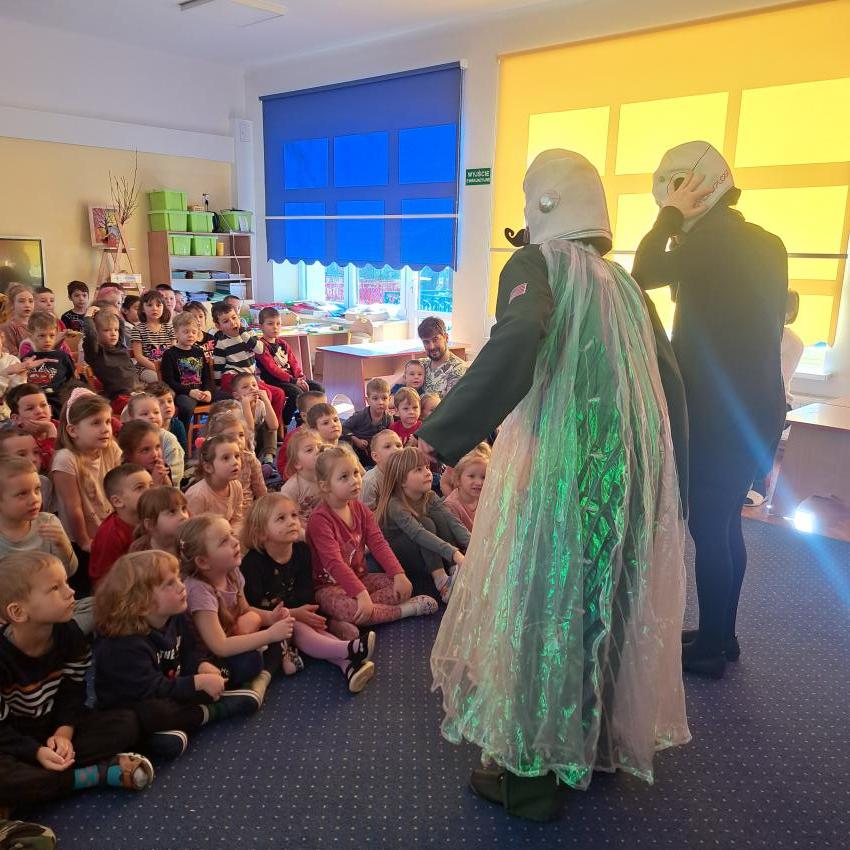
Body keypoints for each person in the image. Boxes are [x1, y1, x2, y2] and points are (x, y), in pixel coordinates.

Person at [417, 149, 689, 820]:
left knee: (541, 610)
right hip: (629, 480)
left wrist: (437, 435)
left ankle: (528, 777)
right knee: (605, 607)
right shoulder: (625, 285)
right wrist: (674, 479)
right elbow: (669, 381)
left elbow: (517, 342)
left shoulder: (537, 265)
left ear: (542, 204)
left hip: (560, 479)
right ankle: (591, 747)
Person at [632, 141, 788, 677]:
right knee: (725, 525)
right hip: (756, 407)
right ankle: (723, 635)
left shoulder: (710, 242)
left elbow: (643, 270)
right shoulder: (765, 242)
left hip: (720, 414)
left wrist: (669, 218)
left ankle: (711, 651)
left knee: (710, 526)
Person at [0, 551, 154, 811]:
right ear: (18, 611)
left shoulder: (71, 634)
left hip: (54, 727)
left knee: (126, 723)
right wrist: (35, 751)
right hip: (13, 739)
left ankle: (45, 780)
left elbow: (73, 692)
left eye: (66, 583)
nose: (71, 592)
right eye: (55, 588)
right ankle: (91, 776)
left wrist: (64, 733)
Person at [93, 550, 260, 760]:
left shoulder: (176, 615)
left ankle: (165, 732)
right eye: (169, 584)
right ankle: (211, 712)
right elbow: (152, 689)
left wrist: (200, 665)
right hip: (137, 703)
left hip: (171, 686)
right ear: (142, 603)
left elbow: (189, 651)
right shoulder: (123, 644)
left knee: (242, 663)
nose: (182, 586)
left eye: (178, 578)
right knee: (155, 713)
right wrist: (197, 683)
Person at [241, 494, 376, 692]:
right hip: (268, 622)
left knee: (314, 627)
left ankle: (349, 667)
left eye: (294, 515)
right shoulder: (252, 564)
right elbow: (253, 606)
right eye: (281, 518)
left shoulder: (302, 551)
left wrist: (305, 613)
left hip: (298, 611)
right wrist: (294, 614)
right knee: (297, 626)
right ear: (261, 534)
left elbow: (305, 592)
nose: (292, 522)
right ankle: (349, 649)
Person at [306, 445, 437, 641]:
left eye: (355, 473)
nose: (354, 480)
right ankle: (405, 610)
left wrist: (399, 574)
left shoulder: (360, 509)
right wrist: (360, 594)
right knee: (350, 607)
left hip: (361, 578)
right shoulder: (320, 520)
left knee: (398, 587)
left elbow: (379, 544)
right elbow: (334, 563)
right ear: (325, 486)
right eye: (344, 477)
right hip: (329, 587)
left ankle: (344, 620)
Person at [177, 514, 294, 695]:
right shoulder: (199, 590)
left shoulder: (232, 573)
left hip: (232, 637)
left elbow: (245, 610)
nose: (235, 541)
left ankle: (263, 675)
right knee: (251, 661)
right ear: (203, 561)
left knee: (276, 633)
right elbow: (219, 646)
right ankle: (259, 679)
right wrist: (269, 634)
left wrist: (271, 617)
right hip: (208, 658)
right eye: (224, 541)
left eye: (232, 534)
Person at [50, 389, 122, 591]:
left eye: (107, 422)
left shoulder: (111, 449)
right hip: (80, 538)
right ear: (73, 430)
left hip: (108, 531)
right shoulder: (66, 459)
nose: (105, 428)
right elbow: (72, 507)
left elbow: (119, 489)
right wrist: (84, 541)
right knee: (89, 588)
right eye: (96, 423)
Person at [375, 447, 468, 601]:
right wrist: (454, 553)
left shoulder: (429, 496)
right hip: (400, 557)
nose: (427, 473)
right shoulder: (394, 505)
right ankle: (441, 581)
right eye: (418, 470)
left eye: (427, 467)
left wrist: (475, 546)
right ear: (402, 480)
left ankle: (453, 568)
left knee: (440, 516)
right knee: (426, 523)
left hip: (423, 551)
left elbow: (452, 521)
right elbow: (418, 533)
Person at [746, 290, 805, 506]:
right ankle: (745, 480)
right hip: (756, 398)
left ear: (790, 313)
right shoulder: (758, 333)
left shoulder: (792, 341)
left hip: (778, 400)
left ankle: (759, 485)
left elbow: (775, 378)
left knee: (763, 427)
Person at [210, 302, 285, 437]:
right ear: (218, 326)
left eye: (234, 318)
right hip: (232, 377)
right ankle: (255, 430)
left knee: (279, 393)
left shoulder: (248, 333)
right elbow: (218, 366)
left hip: (250, 378)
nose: (232, 323)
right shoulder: (221, 343)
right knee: (266, 393)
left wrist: (243, 334)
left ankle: (272, 430)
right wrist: (217, 386)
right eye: (226, 321)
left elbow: (260, 350)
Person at [255, 306, 324, 428]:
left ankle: (307, 418)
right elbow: (273, 369)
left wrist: (300, 378)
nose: (275, 327)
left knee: (318, 388)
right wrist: (294, 381)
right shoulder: (261, 346)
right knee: (296, 393)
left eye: (278, 324)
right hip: (275, 381)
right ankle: (285, 422)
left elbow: (294, 363)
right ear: (261, 326)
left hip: (292, 379)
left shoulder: (283, 343)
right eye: (270, 324)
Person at [88, 464, 153, 586]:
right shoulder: (110, 535)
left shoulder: (153, 518)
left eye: (151, 485)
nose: (150, 491)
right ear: (117, 501)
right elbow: (103, 581)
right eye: (140, 488)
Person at [204, 413, 266, 518]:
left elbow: (260, 491)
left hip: (247, 512)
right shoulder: (212, 462)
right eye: (230, 437)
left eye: (241, 435)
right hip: (219, 513)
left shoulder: (250, 459)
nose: (238, 440)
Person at [159, 312, 214, 432]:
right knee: (187, 406)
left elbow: (207, 377)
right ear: (176, 333)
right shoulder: (169, 354)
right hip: (182, 393)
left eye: (194, 332)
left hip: (201, 392)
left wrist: (208, 391)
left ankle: (216, 435)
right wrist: (190, 392)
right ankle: (183, 436)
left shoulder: (199, 352)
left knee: (227, 400)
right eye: (186, 332)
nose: (190, 335)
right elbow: (169, 381)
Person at [184, 436, 244, 534]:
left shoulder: (236, 486)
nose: (235, 462)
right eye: (226, 458)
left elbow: (237, 520)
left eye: (237, 456)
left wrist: (234, 536)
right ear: (208, 467)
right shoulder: (197, 495)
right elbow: (191, 533)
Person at [19, 313, 75, 417]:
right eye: (42, 335)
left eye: (52, 335)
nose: (47, 340)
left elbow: (72, 380)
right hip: (35, 404)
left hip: (59, 403)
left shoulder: (62, 357)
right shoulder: (27, 360)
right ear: (31, 335)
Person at [123, 392, 185, 486]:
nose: (152, 416)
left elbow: (174, 480)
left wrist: (163, 477)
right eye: (144, 414)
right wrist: (154, 482)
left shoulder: (168, 439)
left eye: (156, 412)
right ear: (132, 419)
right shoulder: (129, 439)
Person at [82, 309, 138, 413]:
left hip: (136, 392)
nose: (113, 334)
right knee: (140, 408)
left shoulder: (119, 346)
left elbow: (121, 324)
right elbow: (90, 336)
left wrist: (110, 312)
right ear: (97, 332)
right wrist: (88, 316)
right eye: (107, 330)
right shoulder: (95, 352)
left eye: (115, 330)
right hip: (118, 398)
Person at [279, 427, 324, 533]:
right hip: (302, 529)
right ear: (297, 463)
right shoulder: (291, 488)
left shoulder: (328, 476)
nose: (318, 451)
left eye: (320, 447)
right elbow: (287, 518)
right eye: (309, 450)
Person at [275, 390, 328, 479]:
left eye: (326, 408)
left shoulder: (325, 429)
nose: (324, 413)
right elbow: (283, 464)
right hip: (299, 476)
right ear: (304, 416)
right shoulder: (296, 437)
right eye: (317, 410)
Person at [229, 372, 279, 463]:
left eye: (254, 385)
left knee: (268, 424)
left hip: (256, 442)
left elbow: (274, 426)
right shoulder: (235, 408)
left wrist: (266, 400)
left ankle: (268, 458)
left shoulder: (260, 404)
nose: (252, 388)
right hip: (244, 444)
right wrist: (246, 404)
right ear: (236, 395)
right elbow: (249, 430)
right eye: (245, 387)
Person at [6, 385, 57, 474]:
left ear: (50, 409)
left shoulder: (62, 426)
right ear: (16, 419)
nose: (39, 411)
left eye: (43, 405)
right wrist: (51, 432)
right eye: (30, 408)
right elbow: (48, 467)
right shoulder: (17, 440)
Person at [341, 378, 391, 464]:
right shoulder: (360, 416)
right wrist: (356, 440)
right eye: (375, 398)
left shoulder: (388, 418)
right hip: (357, 449)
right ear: (368, 401)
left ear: (389, 399)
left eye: (384, 398)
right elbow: (344, 427)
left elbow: (388, 435)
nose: (380, 402)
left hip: (375, 450)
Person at [129, 290, 175, 385]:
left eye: (158, 305)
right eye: (149, 305)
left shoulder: (169, 328)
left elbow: (174, 351)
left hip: (167, 367)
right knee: (159, 381)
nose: (154, 308)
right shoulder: (138, 329)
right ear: (142, 308)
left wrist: (168, 368)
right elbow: (139, 356)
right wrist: (158, 369)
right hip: (146, 368)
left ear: (163, 308)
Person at [129, 486, 190, 556]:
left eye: (183, 509)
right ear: (150, 524)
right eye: (172, 512)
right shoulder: (140, 550)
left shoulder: (190, 543)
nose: (183, 516)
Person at [416, 316, 467, 398]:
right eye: (426, 342)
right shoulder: (421, 364)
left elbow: (451, 404)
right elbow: (395, 387)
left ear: (446, 338)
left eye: (435, 340)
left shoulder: (458, 369)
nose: (431, 347)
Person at [442, 446, 489, 532]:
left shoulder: (484, 498)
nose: (479, 482)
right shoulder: (451, 506)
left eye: (483, 477)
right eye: (471, 476)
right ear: (458, 479)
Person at [359, 429, 403, 511]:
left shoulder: (405, 473)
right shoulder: (370, 482)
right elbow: (365, 514)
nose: (396, 449)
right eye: (387, 446)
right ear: (375, 456)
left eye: (398, 445)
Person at [148, 382, 188, 456]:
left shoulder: (178, 425)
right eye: (161, 403)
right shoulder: (149, 428)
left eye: (170, 401)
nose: (167, 405)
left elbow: (184, 454)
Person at [0, 284, 35, 356]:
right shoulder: (8, 327)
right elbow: (11, 356)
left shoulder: (37, 323)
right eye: (21, 301)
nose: (27, 305)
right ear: (12, 304)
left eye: (31, 301)